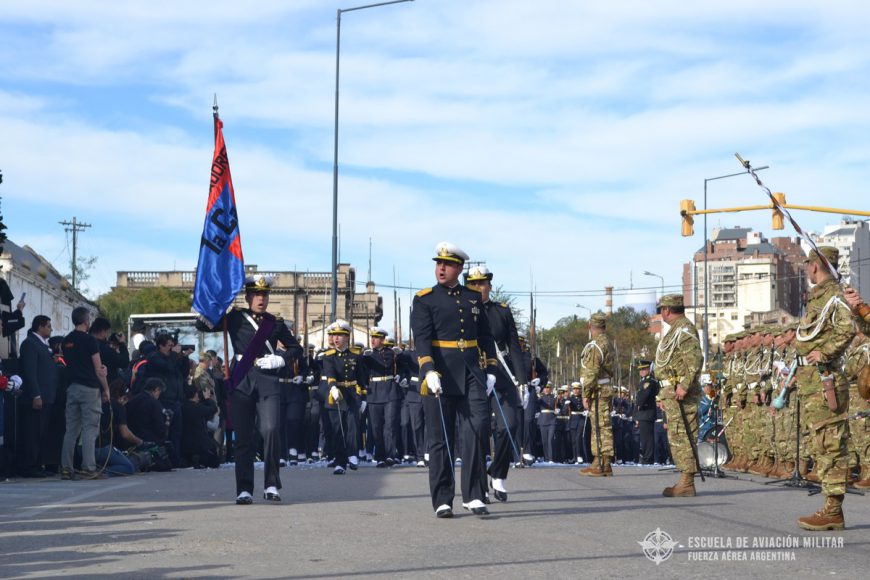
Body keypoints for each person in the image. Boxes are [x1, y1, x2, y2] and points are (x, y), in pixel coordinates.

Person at [410, 242, 499, 518]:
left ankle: (473, 494)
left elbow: (484, 336)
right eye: (439, 264)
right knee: (440, 437)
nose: (441, 268)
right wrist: (427, 369)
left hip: (471, 371)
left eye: (447, 264)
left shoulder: (472, 297)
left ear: (459, 269)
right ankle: (443, 498)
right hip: (440, 373)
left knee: (478, 427)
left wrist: (492, 369)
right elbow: (422, 338)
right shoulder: (425, 299)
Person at [197, 274, 302, 504]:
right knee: (243, 437)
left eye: (264, 294)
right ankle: (244, 488)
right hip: (242, 378)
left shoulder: (275, 323)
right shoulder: (235, 319)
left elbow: (296, 348)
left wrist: (281, 359)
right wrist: (216, 303)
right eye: (256, 294)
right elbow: (202, 325)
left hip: (268, 379)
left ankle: (272, 484)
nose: (260, 299)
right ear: (248, 297)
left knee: (271, 430)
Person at [793, 247, 855, 530]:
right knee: (821, 443)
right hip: (813, 382)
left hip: (826, 380)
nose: (807, 270)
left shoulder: (834, 296)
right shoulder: (819, 298)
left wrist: (825, 353)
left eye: (808, 265)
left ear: (815, 266)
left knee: (831, 443)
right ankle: (830, 507)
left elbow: (847, 329)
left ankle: (833, 510)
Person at [464, 265, 527, 502]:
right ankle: (479, 486)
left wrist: (522, 382)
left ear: (490, 285)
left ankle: (498, 473)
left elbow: (514, 346)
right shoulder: (463, 311)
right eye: (474, 284)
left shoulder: (501, 311)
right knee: (478, 431)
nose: (479, 288)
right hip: (474, 376)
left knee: (509, 425)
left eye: (483, 283)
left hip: (501, 375)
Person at [654, 294, 703, 497]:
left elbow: (695, 359)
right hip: (671, 392)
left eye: (661, 309)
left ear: (666, 310)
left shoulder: (684, 329)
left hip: (681, 393)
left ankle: (687, 481)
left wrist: (684, 386)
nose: (661, 313)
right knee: (677, 435)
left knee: (683, 434)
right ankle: (685, 479)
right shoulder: (676, 330)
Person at [60, 307, 110, 480]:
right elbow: (98, 368)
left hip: (72, 387)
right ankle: (88, 468)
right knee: (90, 428)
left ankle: (66, 468)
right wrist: (106, 388)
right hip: (89, 388)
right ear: (85, 320)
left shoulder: (66, 341)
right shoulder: (90, 341)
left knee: (71, 430)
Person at [322, 320, 367, 474]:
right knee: (337, 428)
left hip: (353, 394)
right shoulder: (328, 356)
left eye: (340, 335)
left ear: (347, 337)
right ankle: (340, 461)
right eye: (334, 335)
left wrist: (364, 399)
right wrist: (333, 387)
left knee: (353, 426)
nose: (336, 338)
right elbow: (330, 374)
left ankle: (353, 454)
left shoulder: (356, 355)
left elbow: (362, 378)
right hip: (337, 394)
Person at [17, 315, 58, 477]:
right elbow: (30, 372)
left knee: (40, 433)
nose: (51, 329)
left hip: (48, 397)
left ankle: (37, 464)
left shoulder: (42, 346)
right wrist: (36, 395)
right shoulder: (30, 344)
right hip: (37, 397)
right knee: (32, 433)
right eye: (48, 326)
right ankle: (28, 466)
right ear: (40, 327)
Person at [579, 312, 615, 477]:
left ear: (590, 326)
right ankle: (599, 460)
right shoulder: (606, 342)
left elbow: (592, 372)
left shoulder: (596, 345)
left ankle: (603, 463)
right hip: (603, 389)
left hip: (598, 390)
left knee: (601, 427)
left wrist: (585, 393)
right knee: (600, 426)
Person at [363, 326, 403, 467]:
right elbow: (360, 372)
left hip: (390, 390)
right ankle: (379, 456)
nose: (373, 340)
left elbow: (403, 367)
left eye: (376, 338)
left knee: (390, 425)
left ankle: (390, 455)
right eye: (372, 338)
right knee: (376, 426)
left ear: (382, 340)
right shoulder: (367, 355)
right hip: (374, 392)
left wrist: (401, 375)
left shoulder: (392, 354)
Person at [146, 334, 186, 466]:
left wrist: (184, 357)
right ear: (161, 346)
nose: (171, 348)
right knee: (165, 432)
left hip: (176, 400)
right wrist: (175, 355)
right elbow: (167, 367)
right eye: (169, 345)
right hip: (164, 400)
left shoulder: (173, 358)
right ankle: (163, 459)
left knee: (177, 433)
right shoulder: (154, 358)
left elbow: (183, 373)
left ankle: (176, 460)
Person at [95, 379, 139, 476]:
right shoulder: (119, 407)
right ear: (124, 398)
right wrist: (139, 441)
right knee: (129, 467)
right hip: (101, 447)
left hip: (84, 448)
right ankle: (102, 473)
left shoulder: (99, 402)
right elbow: (125, 433)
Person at [181, 383, 221, 468]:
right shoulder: (198, 408)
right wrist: (207, 399)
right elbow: (213, 409)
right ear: (195, 394)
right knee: (214, 459)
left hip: (185, 444)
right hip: (200, 443)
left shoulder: (182, 407)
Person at [126, 378, 169, 446]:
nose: (159, 395)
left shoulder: (134, 399)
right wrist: (167, 424)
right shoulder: (154, 403)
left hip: (131, 437)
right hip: (148, 439)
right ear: (156, 389)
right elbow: (160, 428)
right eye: (159, 392)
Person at [634, 360, 658, 465]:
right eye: (640, 370)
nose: (642, 371)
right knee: (644, 438)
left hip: (646, 411)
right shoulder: (643, 381)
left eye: (644, 369)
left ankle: (648, 458)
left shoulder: (649, 381)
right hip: (643, 413)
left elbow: (644, 396)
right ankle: (647, 457)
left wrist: (639, 404)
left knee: (647, 438)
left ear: (649, 369)